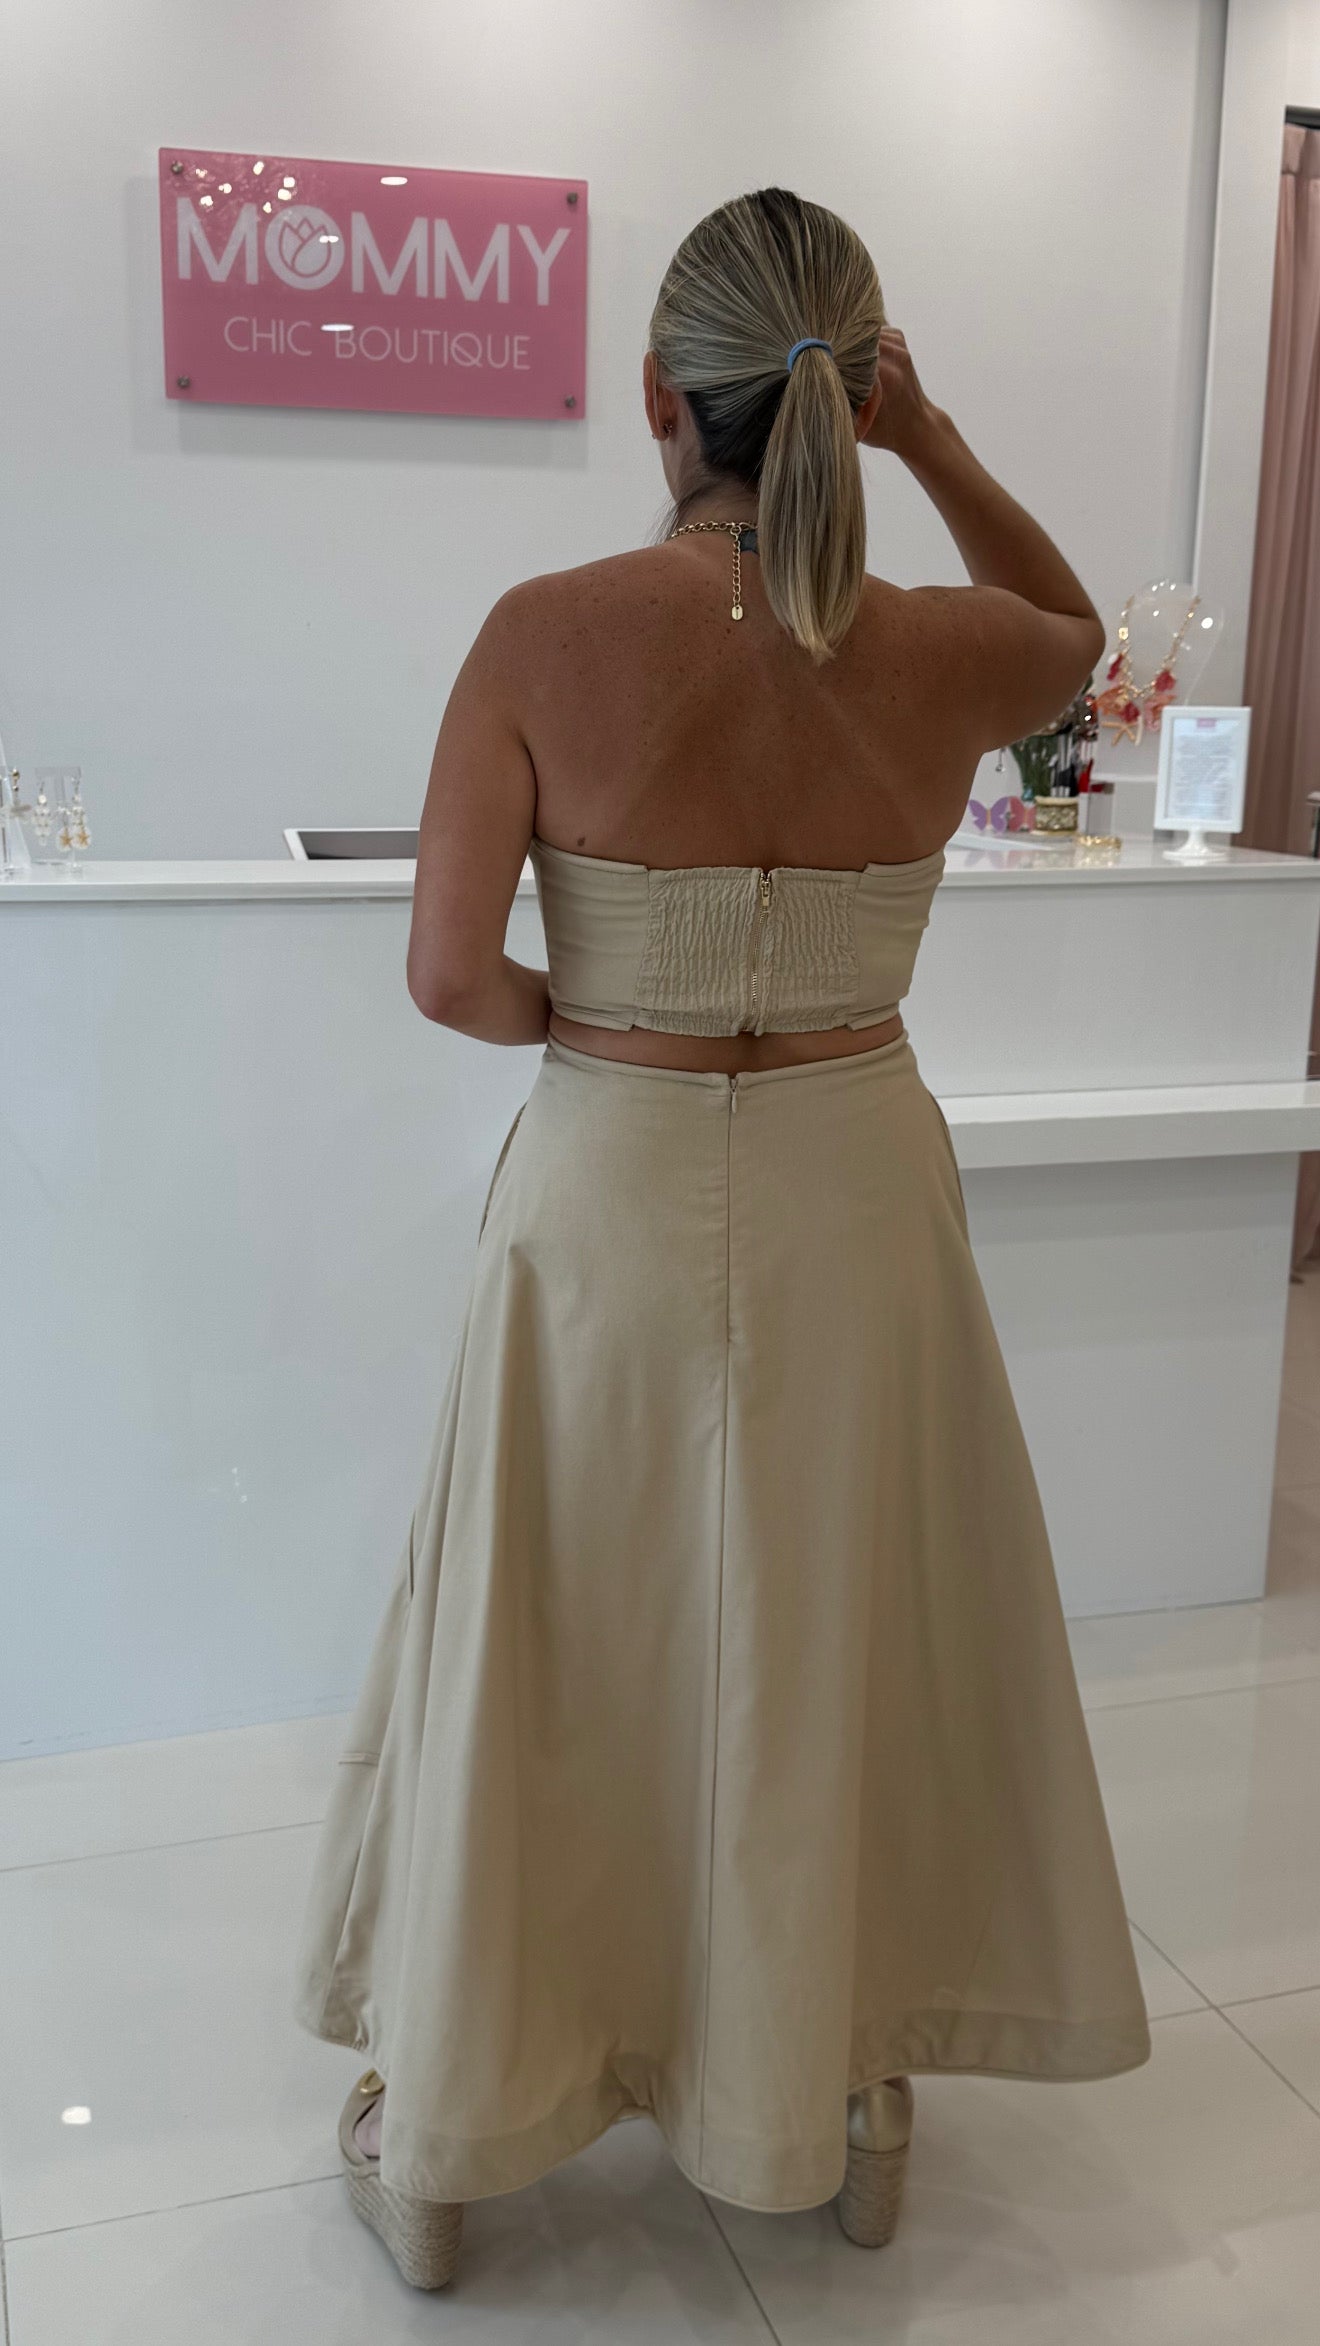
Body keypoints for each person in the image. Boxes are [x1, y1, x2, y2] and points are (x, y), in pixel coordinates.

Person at [294, 186, 1152, 2293]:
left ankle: (451, 2144)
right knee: (828, 1625)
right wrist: (932, 442)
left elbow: (444, 976)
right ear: (854, 398)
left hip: (611, 1183)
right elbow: (1072, 632)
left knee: (551, 1637)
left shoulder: (544, 631)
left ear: (664, 403)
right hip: (859, 1180)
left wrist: (593, 1019)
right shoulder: (935, 646)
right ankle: (846, 2096)